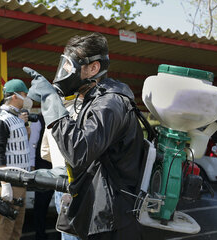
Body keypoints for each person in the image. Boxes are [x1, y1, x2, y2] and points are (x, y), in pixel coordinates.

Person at [24, 32, 144, 240]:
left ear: (93, 68)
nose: (65, 72)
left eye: (70, 66)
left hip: (108, 220)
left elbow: (79, 150)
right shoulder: (94, 101)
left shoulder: (110, 104)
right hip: (92, 213)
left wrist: (52, 102)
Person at [0, 79, 33, 240]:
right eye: (24, 95)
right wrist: (4, 184)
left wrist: (26, 124)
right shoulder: (1, 120)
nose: (27, 98)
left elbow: (24, 143)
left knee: (15, 231)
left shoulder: (16, 118)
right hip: (8, 185)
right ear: (14, 96)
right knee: (1, 232)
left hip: (19, 183)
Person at [40, 96, 82, 240]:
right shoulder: (84, 112)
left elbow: (44, 152)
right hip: (79, 180)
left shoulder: (50, 118)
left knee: (67, 230)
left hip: (59, 181)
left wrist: (57, 162)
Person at [30, 113, 55, 240]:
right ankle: (40, 233)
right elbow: (33, 142)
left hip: (54, 166)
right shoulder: (38, 119)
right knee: (41, 204)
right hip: (44, 167)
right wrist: (32, 164)